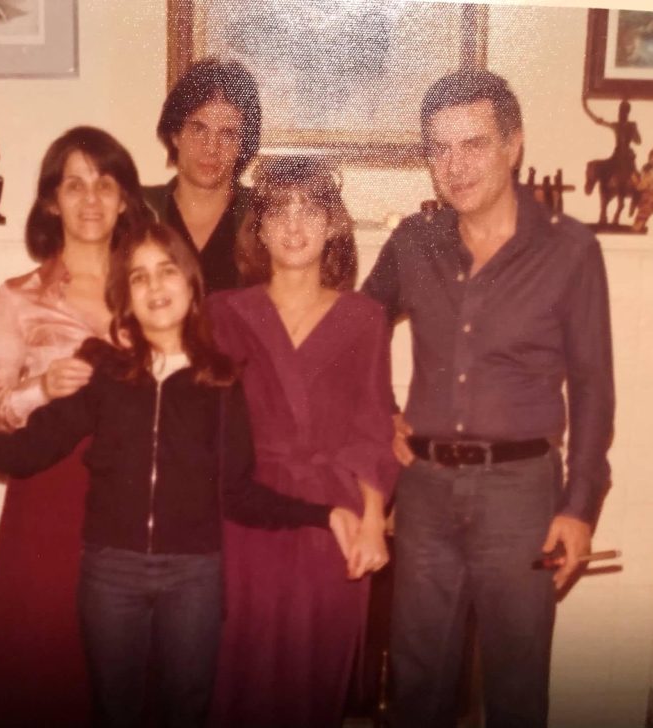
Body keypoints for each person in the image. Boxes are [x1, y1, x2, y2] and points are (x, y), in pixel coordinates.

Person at [0, 222, 364, 728]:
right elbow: (27, 452)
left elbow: (240, 493)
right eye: (139, 278)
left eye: (166, 271)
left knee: (184, 715)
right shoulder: (104, 373)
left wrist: (324, 512)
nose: (155, 287)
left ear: (190, 283)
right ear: (126, 297)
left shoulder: (222, 380)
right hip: (110, 575)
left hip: (193, 578)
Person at [362, 69, 614, 728]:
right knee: (418, 684)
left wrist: (580, 507)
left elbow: (593, 386)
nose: (455, 164)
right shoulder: (413, 244)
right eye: (439, 148)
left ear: (514, 145)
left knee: (516, 686)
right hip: (423, 492)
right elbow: (354, 334)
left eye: (473, 143)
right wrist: (379, 415)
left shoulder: (570, 250)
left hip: (521, 496)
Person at [0, 126, 151, 728]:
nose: (90, 199)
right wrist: (41, 389)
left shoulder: (155, 289)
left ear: (124, 199)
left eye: (104, 183)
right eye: (74, 185)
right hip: (48, 493)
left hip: (135, 496)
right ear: (51, 201)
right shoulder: (18, 298)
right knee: (42, 671)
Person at [206, 156, 399, 727]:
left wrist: (371, 522)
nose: (294, 225)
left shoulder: (365, 319)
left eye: (310, 209)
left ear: (334, 224)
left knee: (311, 685)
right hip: (245, 516)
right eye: (279, 211)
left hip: (330, 520)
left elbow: (373, 428)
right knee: (234, 680)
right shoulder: (222, 312)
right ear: (258, 228)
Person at [144, 57, 261, 294]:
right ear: (176, 134)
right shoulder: (139, 207)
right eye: (199, 129)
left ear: (242, 145)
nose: (211, 148)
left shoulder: (262, 213)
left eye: (227, 134)